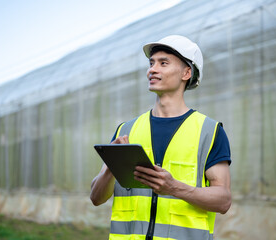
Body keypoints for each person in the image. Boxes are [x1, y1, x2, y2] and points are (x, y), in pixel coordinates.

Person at [90, 35, 231, 240]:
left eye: (163, 63)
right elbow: (96, 198)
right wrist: (112, 167)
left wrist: (175, 188)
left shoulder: (209, 131)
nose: (152, 69)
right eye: (151, 63)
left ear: (186, 73)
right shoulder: (125, 130)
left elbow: (223, 200)